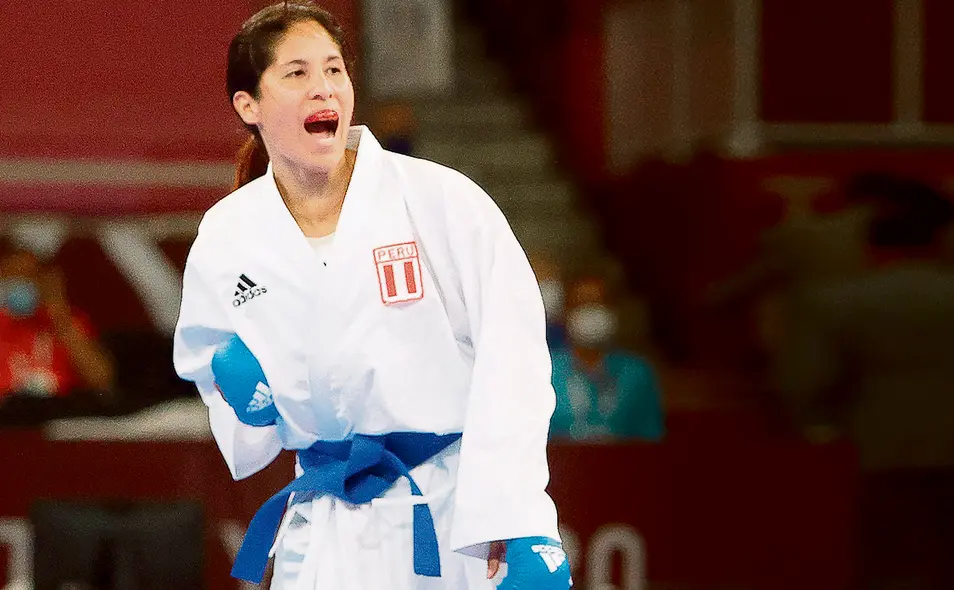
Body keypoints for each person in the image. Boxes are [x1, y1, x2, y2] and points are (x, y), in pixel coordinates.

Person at [172, 3, 570, 589]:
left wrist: (519, 517)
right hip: (331, 517)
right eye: (297, 73)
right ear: (247, 106)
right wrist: (244, 399)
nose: (323, 90)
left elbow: (512, 359)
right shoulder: (230, 234)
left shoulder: (438, 200)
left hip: (446, 504)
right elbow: (211, 361)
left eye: (334, 71)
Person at [775, 176, 954, 589]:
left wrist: (826, 427)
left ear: (871, 251)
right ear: (939, 244)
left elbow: (805, 385)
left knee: (894, 568)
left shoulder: (835, 301)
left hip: (884, 452)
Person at [548, 274, 665, 441]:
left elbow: (650, 439)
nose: (592, 312)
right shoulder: (547, 370)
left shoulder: (637, 373)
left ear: (613, 311)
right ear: (566, 312)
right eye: (583, 304)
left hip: (624, 465)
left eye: (599, 304)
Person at [0, 246, 115, 399]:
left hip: (59, 413)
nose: (21, 284)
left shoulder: (66, 319)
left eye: (29, 276)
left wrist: (59, 313)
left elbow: (101, 379)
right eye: (14, 277)